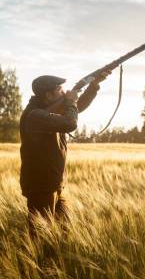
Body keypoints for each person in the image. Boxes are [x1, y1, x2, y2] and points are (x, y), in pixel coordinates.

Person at [19, 72, 110, 239]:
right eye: (60, 89)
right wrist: (70, 100)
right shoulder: (34, 116)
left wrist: (93, 86)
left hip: (54, 183)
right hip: (41, 186)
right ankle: (37, 265)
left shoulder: (46, 111)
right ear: (48, 95)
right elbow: (70, 122)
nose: (64, 92)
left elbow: (76, 108)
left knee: (63, 234)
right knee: (41, 238)